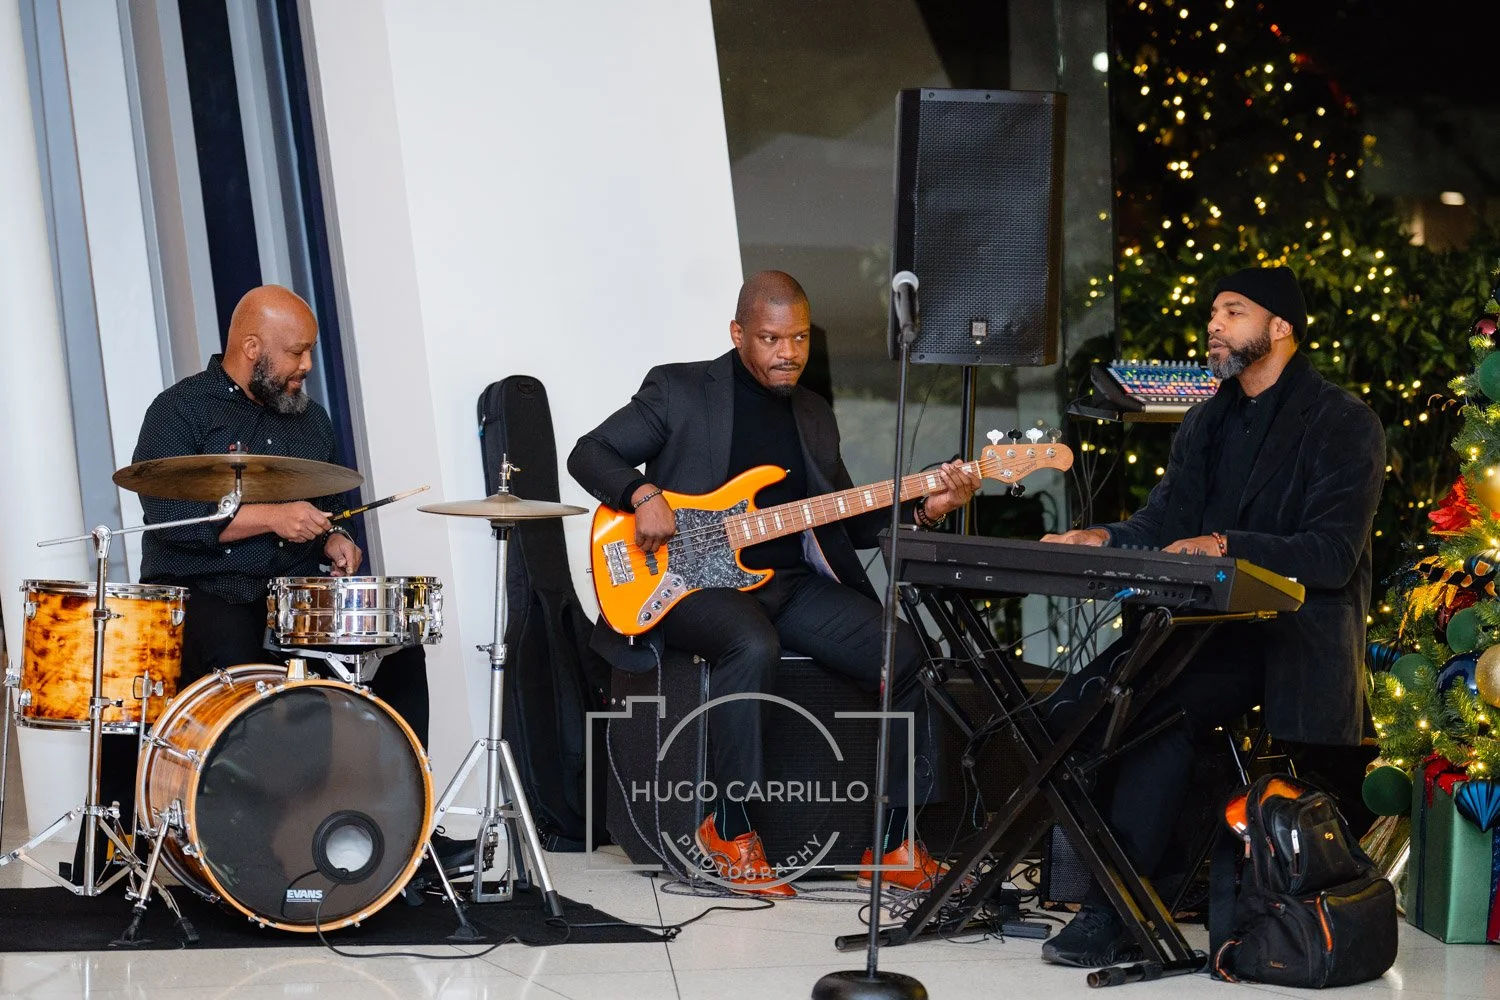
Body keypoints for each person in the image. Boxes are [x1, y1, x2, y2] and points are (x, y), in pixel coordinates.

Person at [568, 270, 980, 897]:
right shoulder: (679, 389)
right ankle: (728, 829)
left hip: (785, 583)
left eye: (798, 340)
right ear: (738, 334)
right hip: (680, 581)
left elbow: (843, 518)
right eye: (769, 339)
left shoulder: (813, 412)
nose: (787, 353)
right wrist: (642, 492)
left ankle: (893, 843)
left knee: (906, 654)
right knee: (750, 643)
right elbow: (589, 452)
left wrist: (924, 505)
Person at [1037, 265, 1386, 966]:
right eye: (1213, 313)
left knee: (1159, 714)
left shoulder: (1344, 423)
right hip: (1194, 630)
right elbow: (1164, 521)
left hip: (1285, 641)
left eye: (1233, 312)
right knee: (1077, 707)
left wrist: (1228, 546)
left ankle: (1119, 907)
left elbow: (1332, 553)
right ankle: (1119, 884)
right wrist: (1102, 538)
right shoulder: (1205, 421)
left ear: (1280, 327)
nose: (1214, 325)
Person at [81, 286, 454, 879]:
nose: (307, 366)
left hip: (291, 595)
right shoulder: (181, 411)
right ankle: (246, 845)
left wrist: (334, 540)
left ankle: (409, 833)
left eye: (309, 353)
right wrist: (273, 516)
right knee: (241, 656)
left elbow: (330, 509)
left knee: (399, 651)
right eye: (296, 353)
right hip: (204, 591)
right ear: (251, 348)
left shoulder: (311, 420)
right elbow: (170, 522)